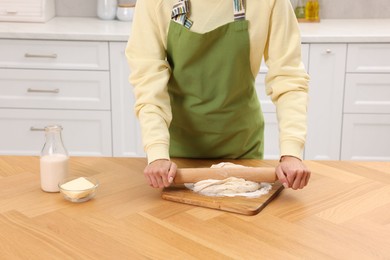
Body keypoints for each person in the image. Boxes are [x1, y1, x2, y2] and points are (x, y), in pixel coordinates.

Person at [126, 0, 311, 190]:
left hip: (242, 148)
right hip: (174, 156)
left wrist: (291, 152)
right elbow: (148, 82)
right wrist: (157, 152)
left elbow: (288, 78)